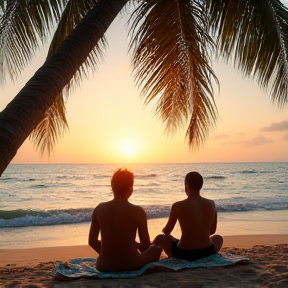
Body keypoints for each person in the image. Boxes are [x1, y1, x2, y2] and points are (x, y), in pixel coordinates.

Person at [89, 168, 161, 272]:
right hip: (131, 264)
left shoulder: (99, 208)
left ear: (112, 187)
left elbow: (92, 241)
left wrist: (110, 254)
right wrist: (134, 247)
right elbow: (145, 244)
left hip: (103, 266)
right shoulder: (138, 211)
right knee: (156, 249)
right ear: (130, 188)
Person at [153, 171, 223, 261]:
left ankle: (146, 251)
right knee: (218, 238)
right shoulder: (211, 203)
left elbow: (167, 231)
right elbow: (212, 230)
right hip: (207, 251)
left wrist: (168, 233)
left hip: (183, 253)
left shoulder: (177, 206)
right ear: (201, 185)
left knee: (160, 238)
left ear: (186, 185)